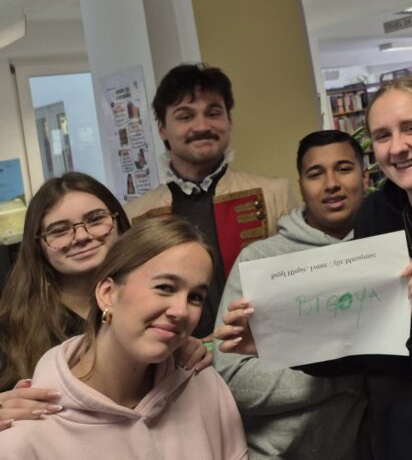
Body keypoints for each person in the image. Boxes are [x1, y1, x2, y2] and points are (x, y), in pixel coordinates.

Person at [220, 76, 412, 460]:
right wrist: (281, 338)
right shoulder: (376, 214)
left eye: (411, 128)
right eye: (383, 136)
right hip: (394, 438)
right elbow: (362, 336)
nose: (397, 147)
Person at [0, 217, 246, 459]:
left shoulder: (204, 386)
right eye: (165, 287)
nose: (181, 311)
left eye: (195, 297)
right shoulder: (24, 434)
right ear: (107, 293)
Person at [0, 174, 211, 430]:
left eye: (95, 220)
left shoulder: (169, 306)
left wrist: (180, 347)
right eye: (59, 231)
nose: (81, 236)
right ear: (38, 246)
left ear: (119, 222)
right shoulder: (8, 328)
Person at [214, 130, 369, 459]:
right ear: (301, 185)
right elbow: (232, 378)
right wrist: (343, 378)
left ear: (365, 176)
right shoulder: (260, 260)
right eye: (316, 174)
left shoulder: (390, 252)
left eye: (344, 169)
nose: (331, 184)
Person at [127, 63, 298, 336]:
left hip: (261, 346)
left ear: (229, 120)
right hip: (173, 356)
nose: (202, 126)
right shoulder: (135, 215)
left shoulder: (275, 193)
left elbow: (296, 283)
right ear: (162, 129)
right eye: (185, 116)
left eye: (213, 113)